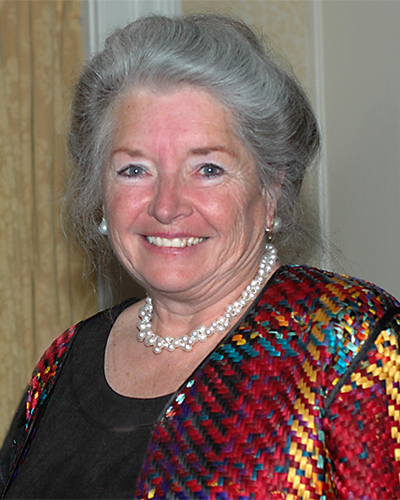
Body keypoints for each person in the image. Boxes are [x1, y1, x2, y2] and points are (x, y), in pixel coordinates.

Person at [1, 13, 400, 500]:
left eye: (208, 169)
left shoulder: (346, 342)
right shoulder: (65, 361)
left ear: (271, 190)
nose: (166, 206)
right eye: (134, 170)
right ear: (100, 194)